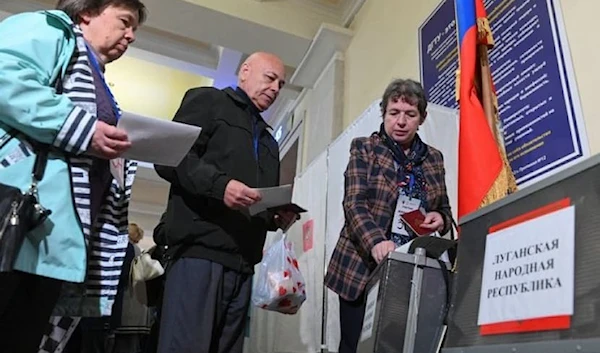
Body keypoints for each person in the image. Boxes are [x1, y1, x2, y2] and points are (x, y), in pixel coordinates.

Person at [0, 0, 146, 352]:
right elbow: (4, 74)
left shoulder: (98, 80)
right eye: (125, 22)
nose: (130, 36)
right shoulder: (50, 29)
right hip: (18, 218)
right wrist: (82, 128)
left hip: (52, 236)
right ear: (86, 13)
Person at [154, 52, 300, 353]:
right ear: (244, 71)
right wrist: (220, 187)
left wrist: (274, 217)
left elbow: (255, 201)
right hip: (199, 255)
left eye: (281, 84)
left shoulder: (271, 142)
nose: (275, 89)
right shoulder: (208, 101)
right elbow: (168, 157)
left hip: (244, 266)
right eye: (270, 78)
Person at [324, 79, 453, 353]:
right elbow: (354, 204)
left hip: (409, 268)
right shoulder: (364, 149)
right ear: (384, 113)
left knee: (396, 346)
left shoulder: (434, 158)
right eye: (394, 113)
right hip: (361, 265)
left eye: (410, 114)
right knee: (355, 346)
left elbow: (443, 208)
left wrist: (439, 219)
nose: (401, 121)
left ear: (422, 118)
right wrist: (376, 242)